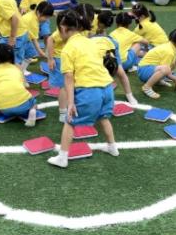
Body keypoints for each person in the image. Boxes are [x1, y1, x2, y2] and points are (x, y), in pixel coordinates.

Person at [48, 10, 119, 168]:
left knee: (69, 122)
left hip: (89, 91)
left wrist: (70, 103)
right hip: (107, 89)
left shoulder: (68, 49)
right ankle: (112, 147)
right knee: (103, 117)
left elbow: (68, 78)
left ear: (63, 28)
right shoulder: (90, 41)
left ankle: (62, 158)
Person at [0, 44, 38, 128]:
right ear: (12, 56)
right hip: (23, 106)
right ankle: (32, 112)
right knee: (33, 103)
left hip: (4, 109)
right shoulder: (17, 69)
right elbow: (24, 86)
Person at [92, 11, 138, 105]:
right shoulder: (110, 40)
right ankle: (129, 96)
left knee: (121, 73)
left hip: (104, 51)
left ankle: (129, 95)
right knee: (121, 74)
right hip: (99, 55)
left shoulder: (109, 41)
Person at [137, 28, 176, 99]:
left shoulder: (170, 46)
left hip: (146, 69)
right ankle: (147, 87)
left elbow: (169, 67)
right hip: (143, 71)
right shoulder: (169, 52)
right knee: (166, 68)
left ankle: (157, 80)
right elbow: (166, 70)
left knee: (172, 65)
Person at [46, 12, 69, 122]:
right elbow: (50, 40)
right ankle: (63, 113)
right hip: (60, 60)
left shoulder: (69, 30)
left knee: (69, 86)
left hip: (68, 59)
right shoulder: (58, 33)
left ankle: (68, 108)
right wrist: (50, 59)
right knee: (64, 87)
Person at [20, 1, 54, 74]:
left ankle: (22, 70)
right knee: (21, 56)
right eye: (46, 17)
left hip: (25, 37)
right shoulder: (33, 22)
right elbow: (34, 39)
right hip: (20, 39)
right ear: (38, 13)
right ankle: (20, 71)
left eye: (48, 18)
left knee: (29, 54)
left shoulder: (34, 14)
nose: (46, 20)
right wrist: (40, 52)